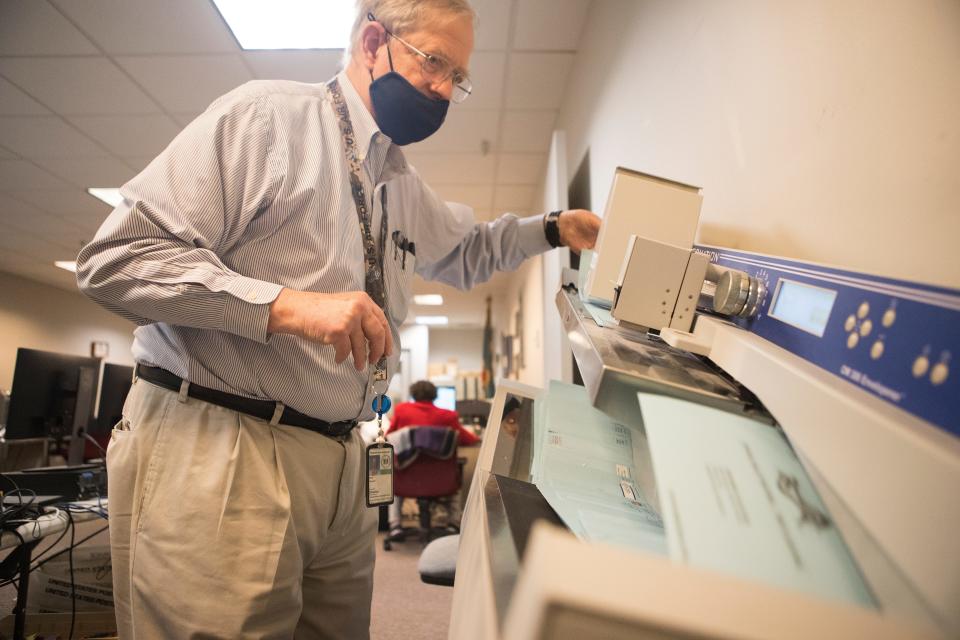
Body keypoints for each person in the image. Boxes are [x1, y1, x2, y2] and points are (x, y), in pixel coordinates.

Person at [75, 0, 601, 637]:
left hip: (343, 457)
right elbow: (115, 259)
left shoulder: (397, 180)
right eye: (434, 62)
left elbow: (465, 250)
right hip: (226, 441)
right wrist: (284, 306)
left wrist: (553, 229)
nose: (442, 88)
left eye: (456, 79)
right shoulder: (269, 119)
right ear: (374, 41)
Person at [385, 380, 477, 537]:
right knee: (455, 485)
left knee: (395, 481)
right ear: (435, 395)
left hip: (407, 481)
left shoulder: (402, 411)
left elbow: (389, 437)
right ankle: (454, 523)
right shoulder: (449, 416)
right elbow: (468, 439)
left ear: (413, 394)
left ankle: (395, 525)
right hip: (441, 482)